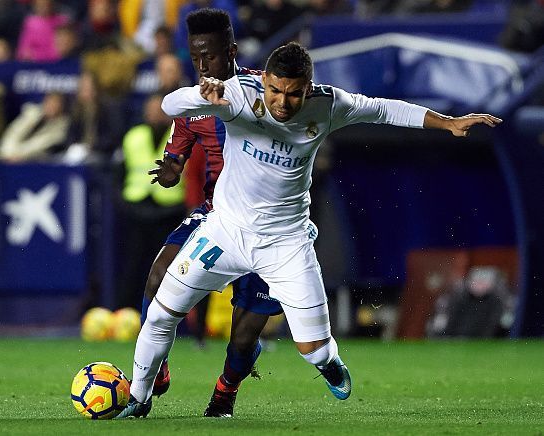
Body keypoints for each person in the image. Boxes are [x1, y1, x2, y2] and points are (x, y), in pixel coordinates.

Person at [119, 38, 502, 419]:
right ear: (264, 79)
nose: (283, 103)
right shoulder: (236, 95)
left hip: (286, 244)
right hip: (225, 231)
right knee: (160, 313)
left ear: (309, 87)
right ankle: (138, 398)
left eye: (294, 94)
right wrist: (202, 95)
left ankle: (329, 362)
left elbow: (385, 110)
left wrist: (448, 123)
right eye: (276, 91)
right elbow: (171, 105)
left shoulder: (329, 105)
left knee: (313, 349)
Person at [120, 9, 285, 419]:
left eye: (209, 57)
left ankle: (224, 396)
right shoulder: (192, 103)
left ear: (230, 51)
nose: (203, 67)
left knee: (244, 334)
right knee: (158, 275)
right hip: (216, 215)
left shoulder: (264, 92)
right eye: (195, 59)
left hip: (267, 222)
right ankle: (156, 371)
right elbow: (178, 152)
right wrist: (172, 168)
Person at [116, 93, 186, 309]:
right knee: (132, 266)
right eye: (152, 109)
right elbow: (119, 172)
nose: (156, 114)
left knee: (168, 267)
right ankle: (125, 312)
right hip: (137, 208)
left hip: (169, 210)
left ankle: (166, 313)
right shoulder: (133, 136)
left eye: (161, 110)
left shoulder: (180, 135)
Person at [0, 92, 70, 162]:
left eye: (56, 104)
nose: (52, 106)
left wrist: (16, 155)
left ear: (61, 107)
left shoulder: (62, 127)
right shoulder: (31, 113)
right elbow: (12, 133)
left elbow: (38, 145)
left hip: (31, 160)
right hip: (5, 155)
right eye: (50, 102)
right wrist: (7, 153)